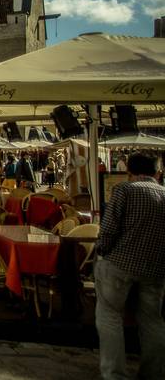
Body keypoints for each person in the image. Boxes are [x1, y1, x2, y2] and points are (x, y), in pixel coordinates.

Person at [94, 152, 165, 379]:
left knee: (109, 316)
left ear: (129, 172)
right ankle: (154, 373)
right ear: (157, 172)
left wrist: (101, 251)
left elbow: (109, 229)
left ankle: (115, 374)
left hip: (120, 264)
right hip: (155, 269)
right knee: (153, 321)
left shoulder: (125, 190)